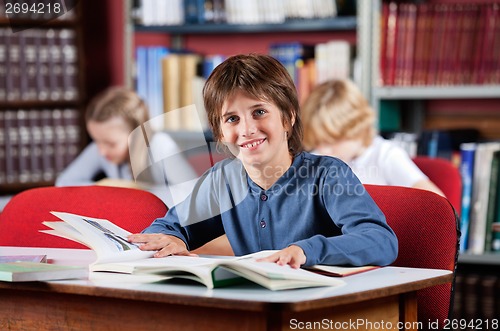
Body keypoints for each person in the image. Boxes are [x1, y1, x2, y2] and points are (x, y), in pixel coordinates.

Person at [128, 54, 398, 268]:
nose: (246, 129)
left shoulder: (328, 174)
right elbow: (168, 226)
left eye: (259, 112)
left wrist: (306, 250)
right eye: (232, 119)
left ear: (288, 116)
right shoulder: (222, 180)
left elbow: (381, 241)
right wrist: (173, 239)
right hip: (254, 307)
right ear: (220, 132)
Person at [55, 86, 197, 207]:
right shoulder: (103, 146)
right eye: (96, 141)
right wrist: (106, 188)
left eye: (111, 144)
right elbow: (64, 182)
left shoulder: (161, 145)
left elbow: (194, 196)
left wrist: (135, 192)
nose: (101, 151)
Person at [301, 79, 444, 196]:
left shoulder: (385, 156)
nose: (323, 150)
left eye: (331, 141)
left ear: (356, 129)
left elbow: (440, 205)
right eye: (318, 141)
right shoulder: (318, 159)